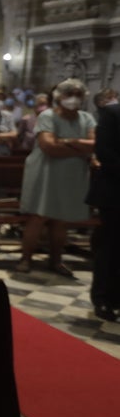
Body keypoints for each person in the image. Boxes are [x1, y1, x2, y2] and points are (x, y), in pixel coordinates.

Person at [16, 79, 97, 276]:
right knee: (38, 216)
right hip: (45, 172)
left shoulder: (86, 118)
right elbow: (49, 147)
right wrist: (79, 147)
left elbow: (94, 144)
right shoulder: (48, 116)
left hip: (71, 175)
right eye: (69, 94)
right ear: (59, 97)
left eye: (78, 95)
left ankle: (56, 260)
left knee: (61, 220)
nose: (74, 99)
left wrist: (69, 141)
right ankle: (26, 258)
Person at [88, 93, 120, 321]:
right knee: (111, 246)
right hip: (115, 192)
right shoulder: (112, 113)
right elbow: (105, 152)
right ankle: (104, 299)